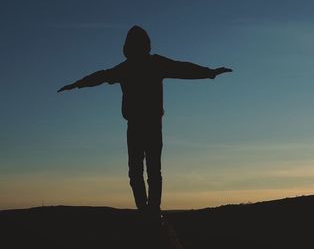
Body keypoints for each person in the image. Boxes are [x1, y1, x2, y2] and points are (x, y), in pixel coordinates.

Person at [58, 25, 232, 217]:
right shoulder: (128, 68)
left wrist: (209, 72)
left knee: (148, 171)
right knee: (141, 172)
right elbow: (101, 76)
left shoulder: (151, 64)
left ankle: (151, 210)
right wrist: (77, 84)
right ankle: (147, 211)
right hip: (137, 125)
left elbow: (182, 69)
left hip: (149, 125)